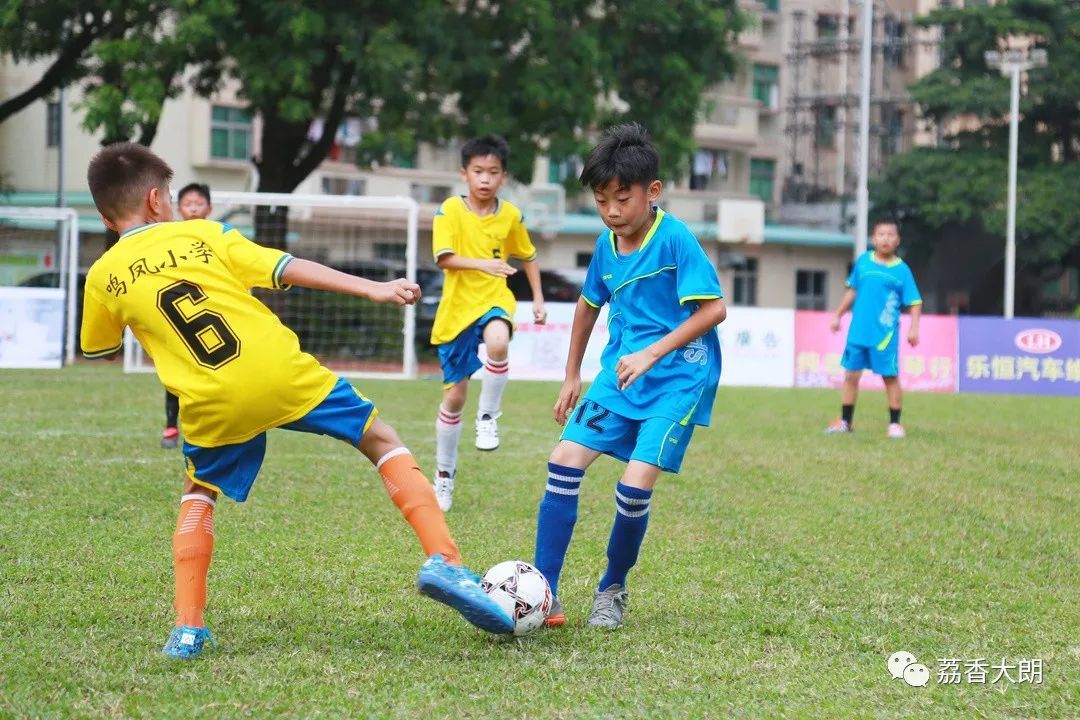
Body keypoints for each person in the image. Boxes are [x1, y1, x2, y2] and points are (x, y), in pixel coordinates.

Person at [80, 143, 513, 659]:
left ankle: (188, 629)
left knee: (199, 490)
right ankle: (445, 560)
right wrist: (374, 288)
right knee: (379, 439)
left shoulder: (104, 275)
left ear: (106, 217)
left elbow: (100, 352)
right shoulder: (203, 233)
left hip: (210, 399)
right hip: (279, 371)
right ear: (156, 200)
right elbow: (290, 268)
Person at [531, 124, 727, 629]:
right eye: (602, 201)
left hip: (679, 378)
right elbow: (587, 306)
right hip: (619, 378)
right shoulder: (605, 244)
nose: (613, 211)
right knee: (563, 461)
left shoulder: (676, 239)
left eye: (622, 198)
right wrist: (571, 374)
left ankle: (612, 588)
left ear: (652, 192)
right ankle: (544, 592)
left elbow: (714, 310)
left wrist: (652, 354)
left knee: (634, 483)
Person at [429, 135, 546, 511]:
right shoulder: (449, 210)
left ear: (503, 177)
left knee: (499, 341)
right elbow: (444, 258)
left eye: (493, 172)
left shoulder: (511, 215)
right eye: (478, 171)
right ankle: (444, 476)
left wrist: (538, 299)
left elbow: (528, 256)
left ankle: (488, 417)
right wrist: (485, 264)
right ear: (464, 173)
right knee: (454, 397)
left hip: (495, 299)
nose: (485, 179)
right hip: (456, 310)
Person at [826, 219, 922, 438]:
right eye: (881, 234)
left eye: (890, 235)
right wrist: (837, 315)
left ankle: (895, 424)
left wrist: (914, 328)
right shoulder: (863, 262)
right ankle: (845, 422)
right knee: (851, 375)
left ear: (897, 240)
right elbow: (852, 291)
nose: (885, 238)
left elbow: (915, 301)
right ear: (873, 238)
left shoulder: (902, 270)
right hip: (858, 331)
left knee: (889, 377)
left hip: (884, 336)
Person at [159, 182, 214, 449]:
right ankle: (171, 425)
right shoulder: (170, 237)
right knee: (176, 372)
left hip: (210, 315)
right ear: (178, 208)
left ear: (209, 208)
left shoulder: (216, 237)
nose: (193, 208)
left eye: (198, 203)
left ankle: (206, 427)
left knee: (208, 374)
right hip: (178, 315)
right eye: (188, 203)